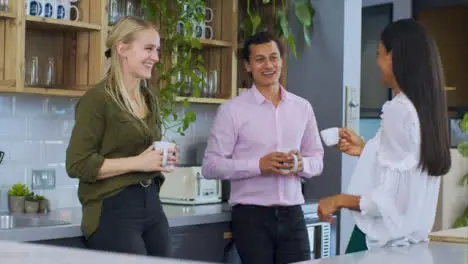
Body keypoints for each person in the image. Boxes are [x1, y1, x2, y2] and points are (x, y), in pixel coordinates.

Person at [317, 18, 451, 253]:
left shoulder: (398, 110)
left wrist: (338, 200)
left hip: (381, 243)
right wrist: (366, 149)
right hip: (413, 244)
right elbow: (407, 171)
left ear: (393, 57)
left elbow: (389, 202)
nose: (377, 63)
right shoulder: (426, 109)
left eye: (379, 54)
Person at [202, 31, 324, 264]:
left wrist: (300, 164)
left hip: (293, 214)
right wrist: (258, 165)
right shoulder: (232, 110)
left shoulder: (302, 108)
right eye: (260, 59)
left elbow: (317, 159)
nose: (268, 65)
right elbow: (211, 166)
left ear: (281, 61)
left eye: (274, 57)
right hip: (251, 216)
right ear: (248, 66)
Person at [66, 16, 178, 256]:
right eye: (148, 49)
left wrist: (162, 158)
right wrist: (139, 162)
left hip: (151, 204)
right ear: (122, 48)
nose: (156, 58)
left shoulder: (149, 99)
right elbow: (77, 164)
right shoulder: (98, 100)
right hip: (112, 209)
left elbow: (144, 153)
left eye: (157, 50)